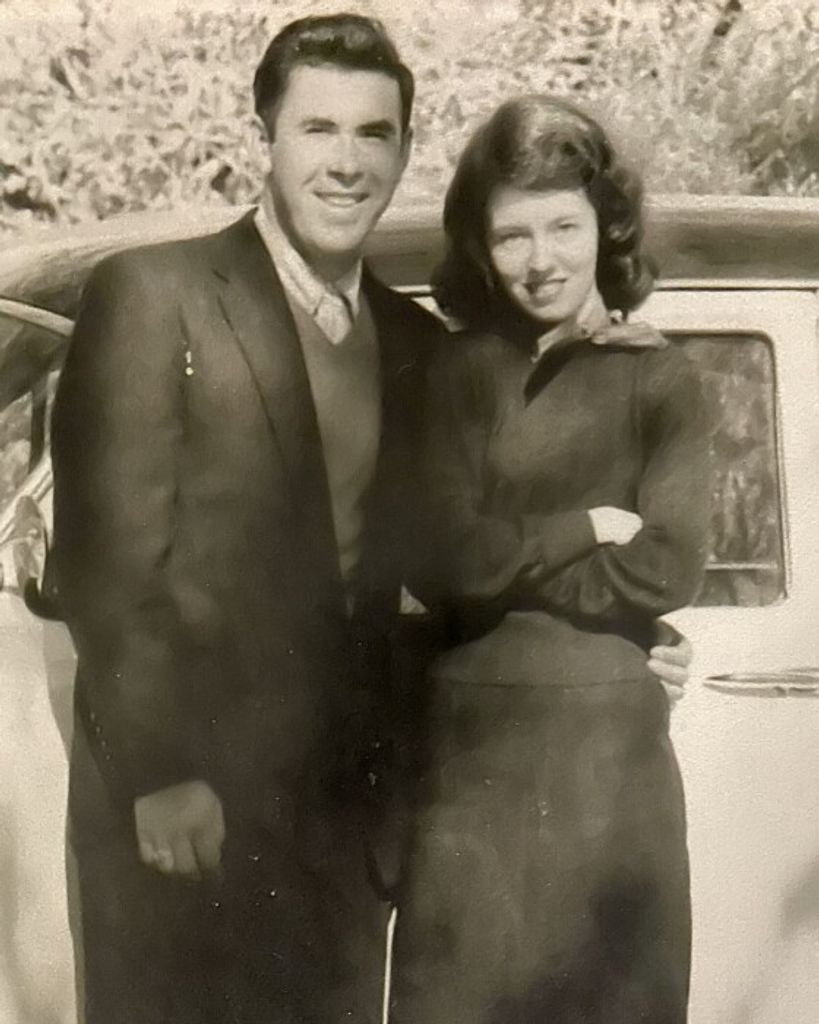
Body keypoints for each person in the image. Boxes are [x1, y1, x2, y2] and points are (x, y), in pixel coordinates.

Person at [51, 14, 693, 1022]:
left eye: (374, 133)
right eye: (319, 129)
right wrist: (159, 770)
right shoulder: (154, 295)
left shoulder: (412, 339)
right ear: (266, 135)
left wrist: (622, 631)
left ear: (402, 149)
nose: (347, 162)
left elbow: (439, 565)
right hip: (185, 815)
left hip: (344, 830)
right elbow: (108, 563)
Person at [389, 96, 712, 1024]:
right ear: (479, 247)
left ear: (605, 224)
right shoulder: (454, 375)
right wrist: (586, 525)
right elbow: (439, 561)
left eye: (563, 226)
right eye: (511, 236)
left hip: (611, 771)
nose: (541, 260)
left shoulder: (661, 378)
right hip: (468, 774)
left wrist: (499, 569)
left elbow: (668, 568)